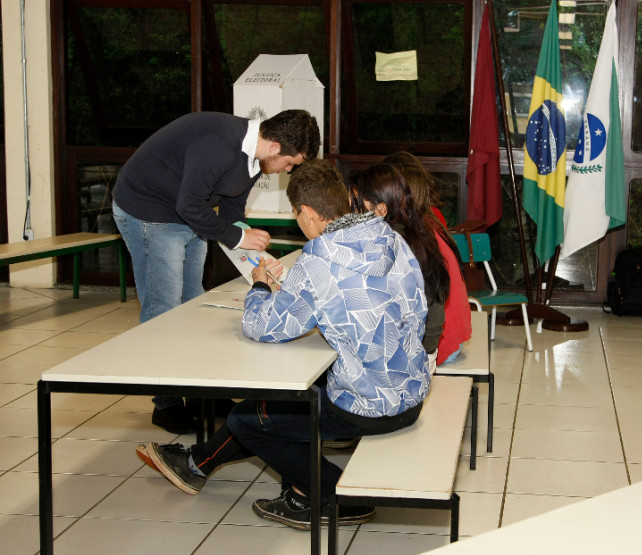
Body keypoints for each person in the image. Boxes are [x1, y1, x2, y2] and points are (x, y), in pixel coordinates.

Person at [138, 160, 431, 531]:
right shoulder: (388, 237)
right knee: (283, 398)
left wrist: (260, 286)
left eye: (296, 215)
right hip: (412, 388)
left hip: (369, 406)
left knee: (249, 417)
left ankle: (333, 496)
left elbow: (261, 327)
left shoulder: (319, 261)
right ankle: (197, 465)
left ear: (307, 213)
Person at [112, 109, 321, 434]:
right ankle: (165, 404)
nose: (288, 171)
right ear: (276, 146)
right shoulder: (220, 144)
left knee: (192, 304)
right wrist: (239, 237)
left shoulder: (255, 156)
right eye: (291, 163)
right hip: (149, 211)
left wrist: (250, 246)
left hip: (186, 212)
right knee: (163, 307)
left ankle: (201, 394)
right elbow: (189, 205)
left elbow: (233, 204)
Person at [350, 163, 470, 365]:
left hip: (410, 359)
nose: (352, 212)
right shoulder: (417, 231)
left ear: (380, 209)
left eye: (356, 205)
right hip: (425, 349)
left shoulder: (391, 246)